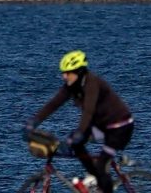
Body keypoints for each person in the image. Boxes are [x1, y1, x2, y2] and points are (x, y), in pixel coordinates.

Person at [25, 50, 134, 193]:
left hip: (120, 127)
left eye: (68, 73)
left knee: (100, 165)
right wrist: (34, 122)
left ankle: (101, 178)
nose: (64, 76)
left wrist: (80, 132)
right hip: (102, 125)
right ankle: (96, 178)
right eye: (63, 72)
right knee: (75, 144)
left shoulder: (92, 84)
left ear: (79, 71)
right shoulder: (72, 86)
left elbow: (88, 111)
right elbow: (54, 103)